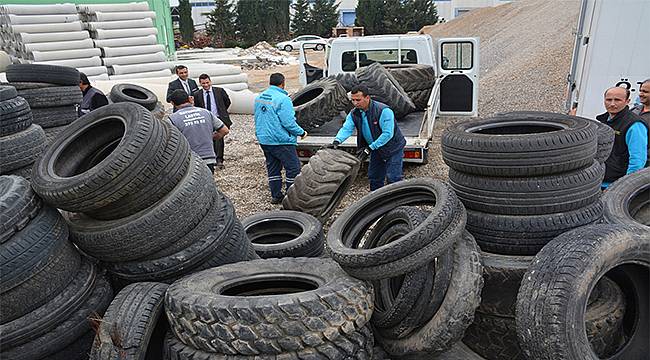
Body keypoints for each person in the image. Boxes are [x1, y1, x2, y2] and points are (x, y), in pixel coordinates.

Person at [330, 85, 406, 191]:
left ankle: (398, 204)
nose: (355, 103)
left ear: (367, 98)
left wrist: (370, 147)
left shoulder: (383, 111)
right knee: (374, 177)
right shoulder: (354, 113)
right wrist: (337, 141)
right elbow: (346, 128)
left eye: (358, 100)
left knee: (393, 178)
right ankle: (376, 203)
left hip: (392, 148)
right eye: (353, 100)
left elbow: (387, 134)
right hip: (376, 149)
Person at [254, 73, 307, 204]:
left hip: (264, 139)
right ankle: (291, 198)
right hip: (281, 140)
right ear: (283, 83)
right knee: (293, 168)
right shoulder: (283, 99)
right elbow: (288, 122)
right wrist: (301, 132)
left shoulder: (259, 97)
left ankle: (276, 195)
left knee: (273, 167)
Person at [596, 86, 648, 187]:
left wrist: (625, 185)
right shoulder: (602, 121)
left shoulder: (634, 125)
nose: (612, 104)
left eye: (617, 100)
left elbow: (637, 160)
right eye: (609, 99)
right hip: (598, 180)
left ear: (627, 101)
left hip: (615, 185)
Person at [168, 89, 229, 174]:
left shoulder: (172, 119)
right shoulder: (206, 112)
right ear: (189, 99)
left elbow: (171, 142)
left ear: (173, 103)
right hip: (209, 158)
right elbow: (224, 130)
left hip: (189, 161)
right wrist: (210, 137)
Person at [193, 74, 232, 169]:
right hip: (206, 119)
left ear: (210, 81)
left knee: (219, 139)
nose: (206, 85)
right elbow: (197, 107)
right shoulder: (197, 94)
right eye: (203, 83)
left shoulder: (219, 91)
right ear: (200, 83)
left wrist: (222, 112)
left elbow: (227, 102)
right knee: (208, 138)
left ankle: (219, 159)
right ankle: (211, 158)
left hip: (218, 117)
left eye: (207, 82)